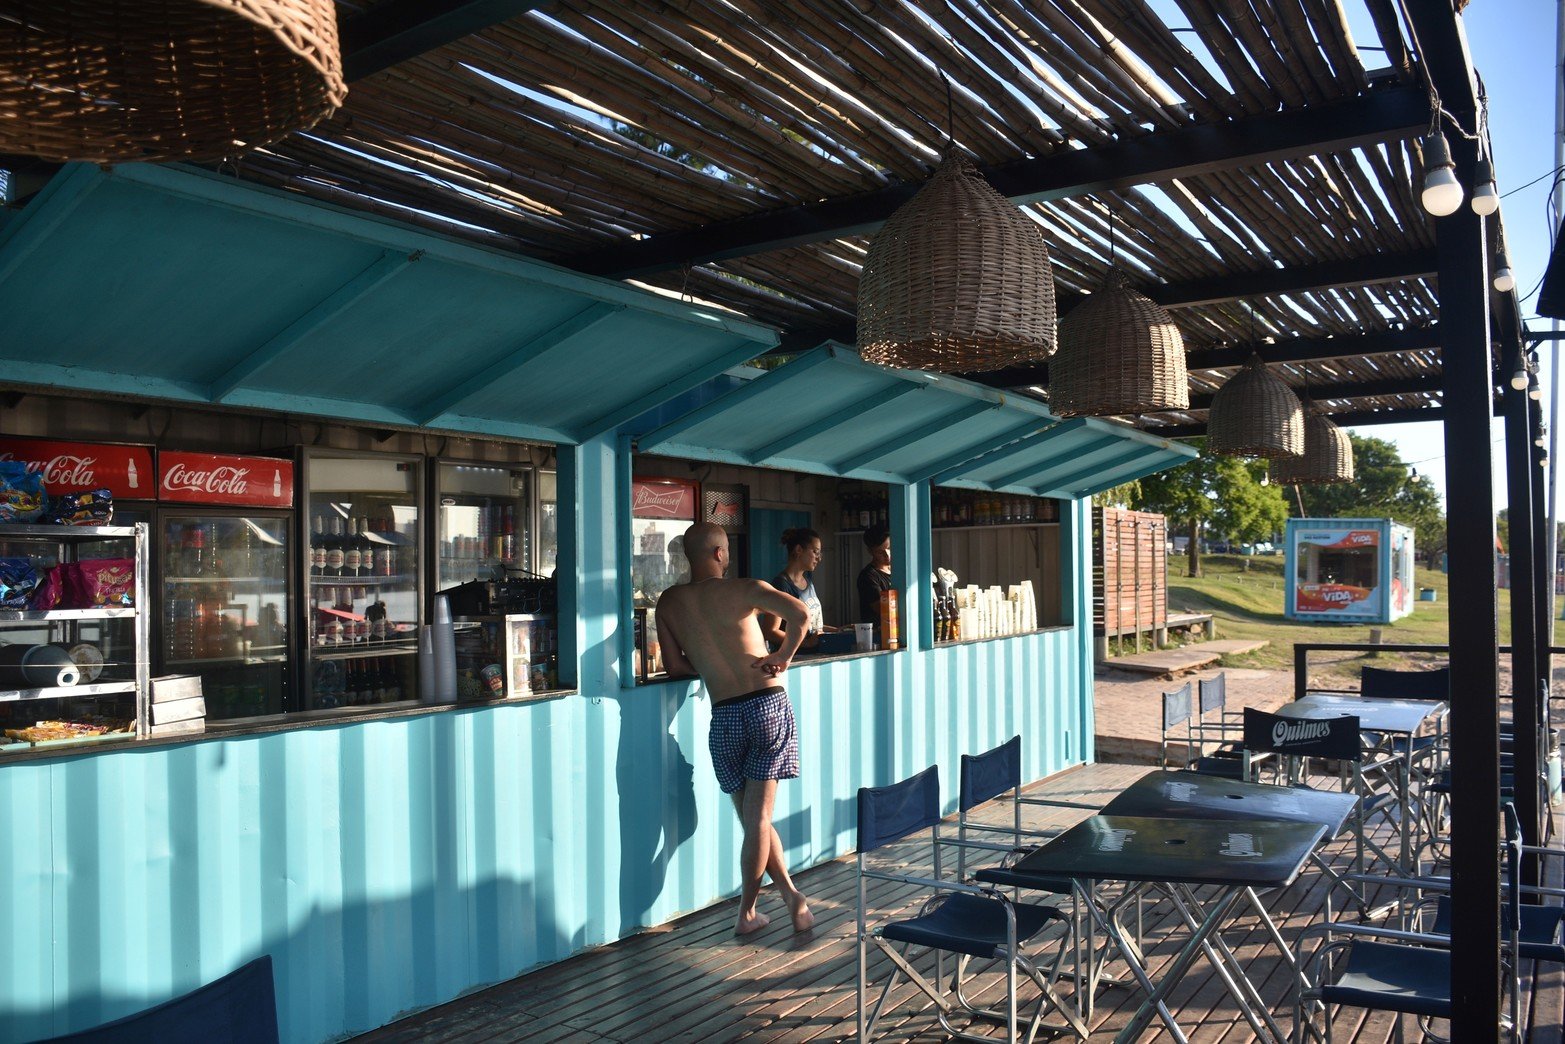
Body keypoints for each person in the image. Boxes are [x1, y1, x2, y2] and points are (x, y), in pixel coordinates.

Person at [656, 522, 816, 936]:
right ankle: (747, 910)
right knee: (759, 819)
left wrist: (712, 667)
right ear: (718, 554)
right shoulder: (744, 588)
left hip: (724, 713)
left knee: (753, 821)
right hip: (765, 704)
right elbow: (800, 613)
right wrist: (782, 656)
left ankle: (792, 897)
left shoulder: (669, 604)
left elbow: (674, 667)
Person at [761, 527, 837, 651]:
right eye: (815, 552)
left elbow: (813, 627)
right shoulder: (781, 584)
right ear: (799, 550)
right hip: (794, 661)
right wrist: (805, 643)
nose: (819, 558)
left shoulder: (808, 582)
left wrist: (839, 630)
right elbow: (770, 631)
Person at [857, 522, 893, 626]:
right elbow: (883, 609)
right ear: (870, 552)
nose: (887, 555)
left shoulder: (899, 570)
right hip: (878, 634)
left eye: (889, 548)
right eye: (880, 552)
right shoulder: (868, 576)